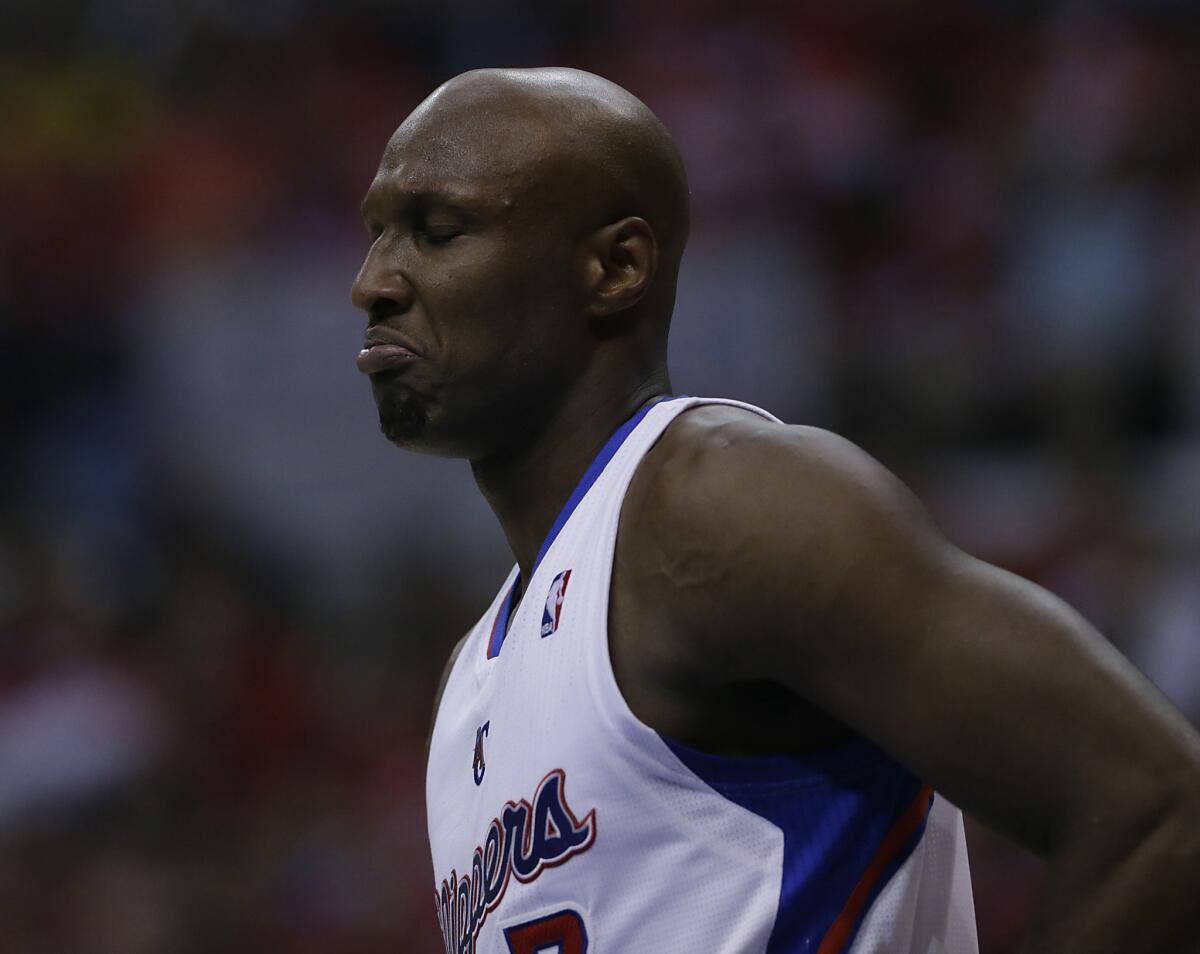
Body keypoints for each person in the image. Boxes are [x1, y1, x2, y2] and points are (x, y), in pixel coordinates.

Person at [350, 67, 1200, 953]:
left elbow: (1156, 811)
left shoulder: (718, 505)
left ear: (617, 267)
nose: (372, 281)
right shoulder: (466, 684)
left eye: (437, 230)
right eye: (374, 234)